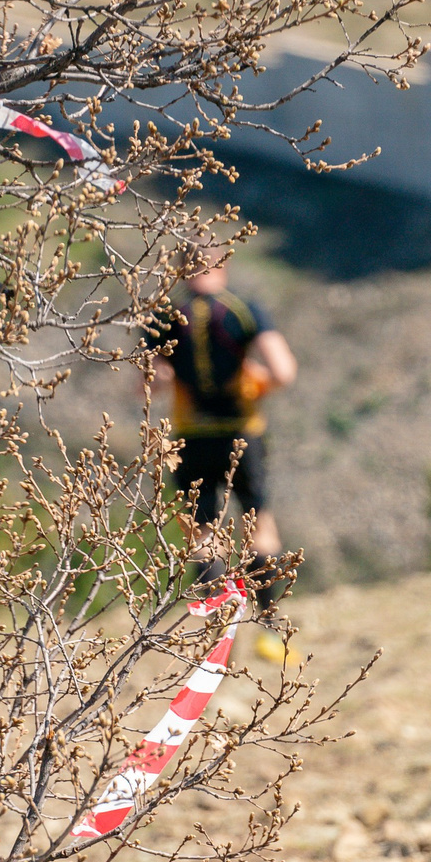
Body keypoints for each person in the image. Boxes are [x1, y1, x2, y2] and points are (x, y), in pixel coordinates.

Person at [145, 255, 301, 656]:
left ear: (183, 269)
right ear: (222, 266)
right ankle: (268, 628)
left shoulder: (166, 314)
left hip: (191, 434)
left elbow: (150, 381)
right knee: (259, 525)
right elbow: (283, 370)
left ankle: (217, 639)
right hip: (241, 432)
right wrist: (255, 385)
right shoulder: (243, 310)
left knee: (202, 536)